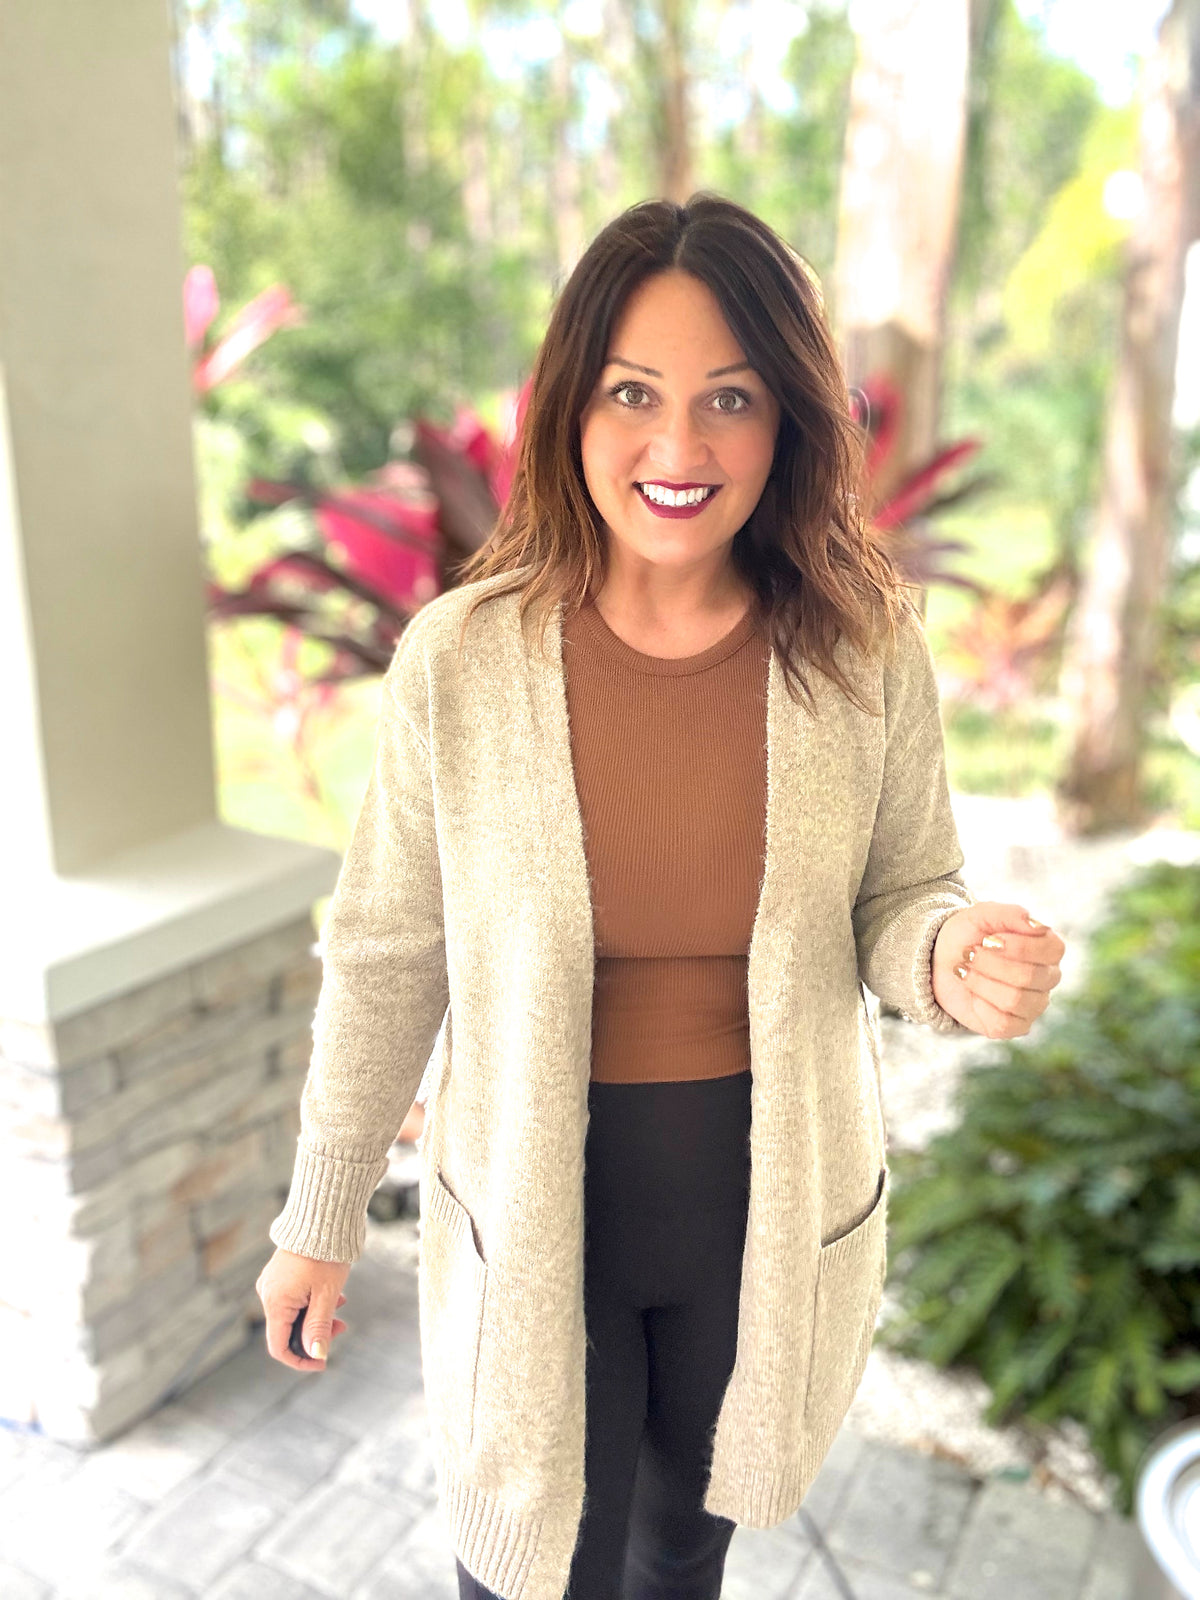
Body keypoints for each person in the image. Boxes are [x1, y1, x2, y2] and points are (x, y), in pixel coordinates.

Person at [256, 193, 1066, 1600]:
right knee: (527, 1567)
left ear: (788, 422)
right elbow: (390, 951)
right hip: (530, 1204)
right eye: (634, 392)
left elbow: (903, 890)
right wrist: (318, 1217)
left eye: (730, 399)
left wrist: (951, 954)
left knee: (682, 1554)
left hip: (759, 1213)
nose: (678, 449)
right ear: (573, 405)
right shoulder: (463, 659)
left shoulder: (862, 647)